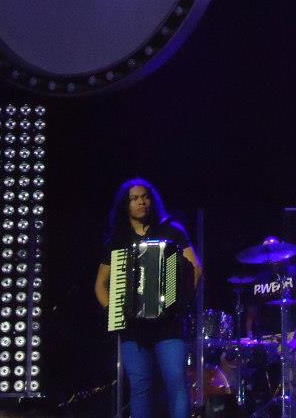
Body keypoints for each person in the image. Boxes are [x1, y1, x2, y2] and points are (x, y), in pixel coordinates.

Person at [94, 178, 203, 418]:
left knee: (176, 381)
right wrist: (113, 311)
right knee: (140, 386)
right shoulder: (117, 241)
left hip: (169, 323)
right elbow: (100, 284)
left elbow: (195, 267)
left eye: (145, 196)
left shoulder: (172, 230)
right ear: (125, 205)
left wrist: (183, 301)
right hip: (132, 327)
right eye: (134, 198)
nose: (141, 202)